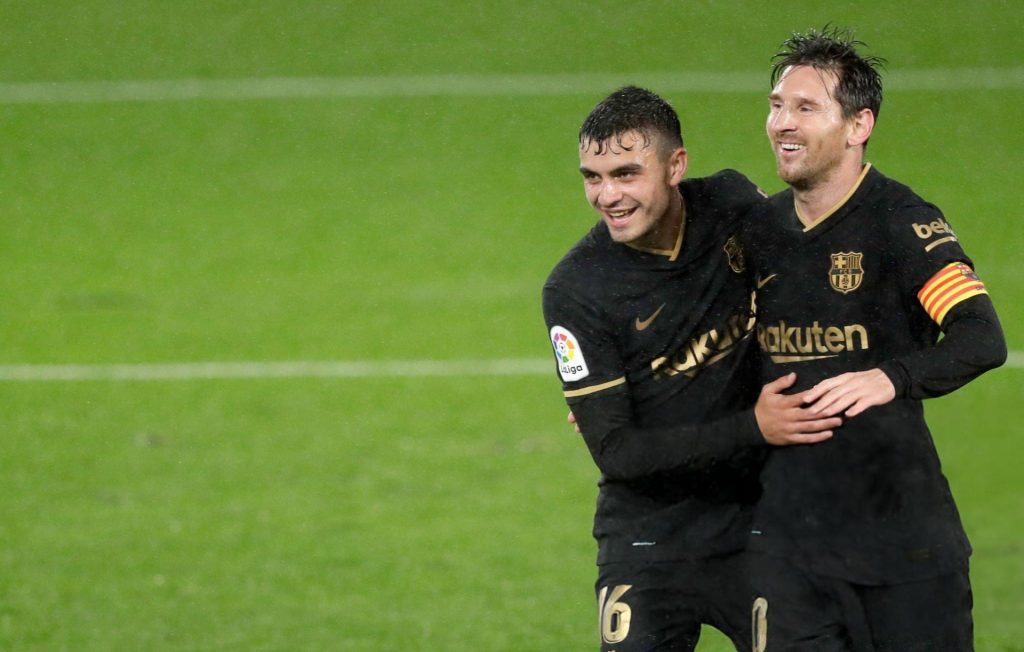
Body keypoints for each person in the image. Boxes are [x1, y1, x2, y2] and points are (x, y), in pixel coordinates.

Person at [542, 86, 839, 652]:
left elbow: (811, 294)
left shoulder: (730, 204)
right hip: (647, 538)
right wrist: (755, 426)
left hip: (762, 521)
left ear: (675, 165)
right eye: (592, 177)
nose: (607, 196)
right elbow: (618, 454)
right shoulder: (577, 289)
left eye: (626, 174)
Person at [744, 27, 1007, 651]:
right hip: (786, 551)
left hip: (903, 551)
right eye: (777, 105)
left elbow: (981, 336)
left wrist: (890, 376)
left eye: (806, 108)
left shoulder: (902, 223)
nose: (783, 123)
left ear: (858, 125)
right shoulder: (755, 232)